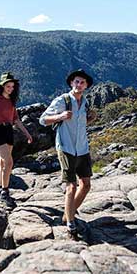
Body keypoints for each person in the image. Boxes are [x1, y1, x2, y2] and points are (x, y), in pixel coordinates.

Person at [39, 69, 97, 237]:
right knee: (71, 186)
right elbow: (43, 120)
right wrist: (61, 116)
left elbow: (82, 123)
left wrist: (90, 118)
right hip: (66, 147)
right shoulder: (62, 101)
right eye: (76, 81)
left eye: (82, 82)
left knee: (86, 185)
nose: (79, 85)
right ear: (72, 83)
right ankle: (71, 222)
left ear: (86, 86)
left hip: (82, 148)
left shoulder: (85, 103)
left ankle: (67, 214)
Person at [0, 72, 32, 208]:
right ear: (2, 85)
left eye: (12, 86)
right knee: (9, 161)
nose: (10, 89)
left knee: (3, 163)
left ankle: (1, 189)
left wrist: (27, 134)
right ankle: (5, 191)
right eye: (8, 86)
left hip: (8, 130)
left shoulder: (11, 99)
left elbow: (16, 120)